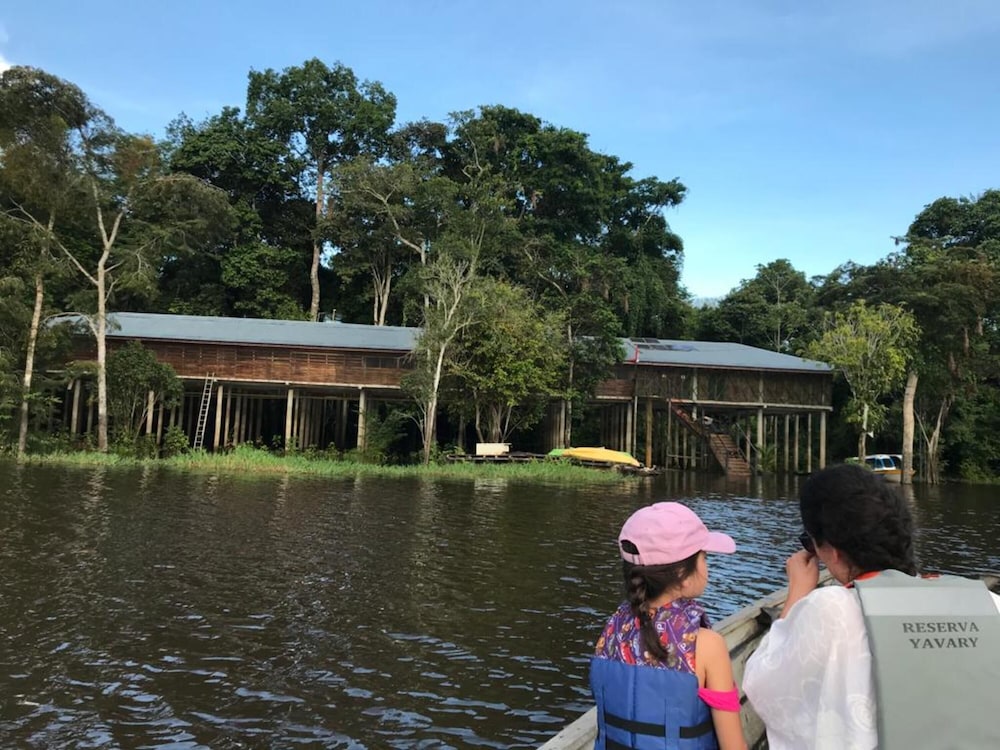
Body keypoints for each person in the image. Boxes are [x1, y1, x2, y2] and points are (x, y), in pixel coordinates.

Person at [742, 463, 1000, 750]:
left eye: (811, 543)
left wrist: (798, 594)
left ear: (833, 552)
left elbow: (761, 684)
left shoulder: (831, 609)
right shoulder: (989, 603)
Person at [590, 501, 748, 750]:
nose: (707, 566)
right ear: (683, 575)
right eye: (704, 557)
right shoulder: (707, 645)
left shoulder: (611, 630)